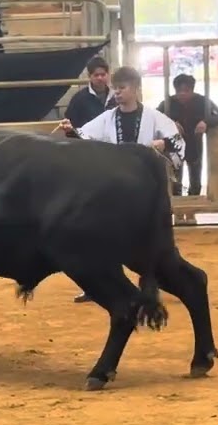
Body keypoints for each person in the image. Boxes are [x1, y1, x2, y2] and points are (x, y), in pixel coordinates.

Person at [56, 66, 185, 302]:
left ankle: (157, 281)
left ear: (135, 89)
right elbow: (86, 137)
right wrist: (70, 131)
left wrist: (163, 143)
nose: (117, 92)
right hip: (117, 188)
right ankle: (98, 286)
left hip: (145, 187)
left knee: (149, 236)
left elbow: (177, 140)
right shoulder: (109, 117)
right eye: (115, 88)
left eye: (122, 88)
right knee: (103, 234)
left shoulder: (154, 116)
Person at [156, 73, 218, 197]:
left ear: (192, 90)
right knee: (175, 181)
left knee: (195, 181)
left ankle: (190, 213)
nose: (182, 94)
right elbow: (155, 119)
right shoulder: (168, 103)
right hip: (174, 145)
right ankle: (178, 213)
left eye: (186, 91)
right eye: (179, 91)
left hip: (195, 143)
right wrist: (170, 124)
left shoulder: (202, 101)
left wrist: (206, 122)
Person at [63, 56, 115, 128]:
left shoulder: (116, 97)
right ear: (89, 76)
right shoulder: (79, 99)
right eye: (96, 75)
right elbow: (70, 126)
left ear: (108, 75)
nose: (100, 78)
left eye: (103, 74)